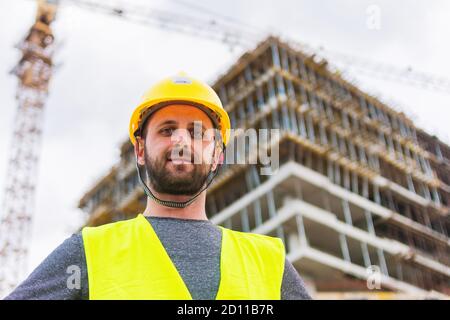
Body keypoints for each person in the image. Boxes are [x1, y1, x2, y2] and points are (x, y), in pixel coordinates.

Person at [5, 73, 311, 300]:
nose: (181, 141)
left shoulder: (269, 263)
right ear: (140, 150)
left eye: (196, 132)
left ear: (217, 154)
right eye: (167, 130)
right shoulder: (89, 251)